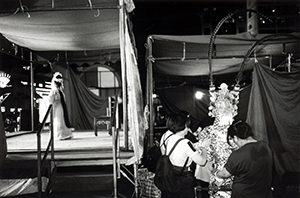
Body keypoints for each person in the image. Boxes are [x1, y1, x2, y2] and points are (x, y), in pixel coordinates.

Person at [215, 120, 273, 198]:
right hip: (264, 194)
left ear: (235, 137)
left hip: (244, 195)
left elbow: (225, 174)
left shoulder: (237, 155)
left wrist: (215, 172)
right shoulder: (265, 146)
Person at [159, 112, 208, 198]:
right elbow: (202, 162)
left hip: (169, 174)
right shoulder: (186, 143)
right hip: (183, 179)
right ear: (185, 126)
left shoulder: (169, 138)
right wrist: (204, 148)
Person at [48, 72, 73, 140]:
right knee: (60, 119)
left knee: (59, 119)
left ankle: (61, 134)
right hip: (59, 107)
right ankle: (61, 134)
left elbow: (51, 100)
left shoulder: (57, 91)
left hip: (59, 107)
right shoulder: (57, 91)